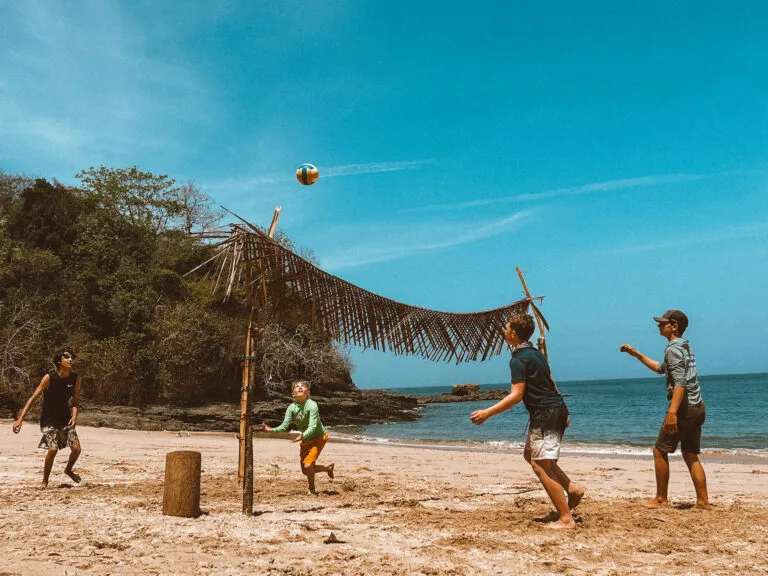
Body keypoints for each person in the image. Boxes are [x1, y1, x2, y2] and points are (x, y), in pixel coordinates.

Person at [470, 313, 584, 530]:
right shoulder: (536, 354)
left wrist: (487, 412)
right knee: (531, 455)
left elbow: (516, 395)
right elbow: (550, 382)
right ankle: (573, 489)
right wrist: (565, 413)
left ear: (513, 333)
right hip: (556, 410)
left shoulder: (518, 359)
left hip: (546, 414)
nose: (503, 332)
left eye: (505, 329)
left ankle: (566, 519)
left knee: (539, 465)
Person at [620, 309, 710, 510]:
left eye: (662, 323)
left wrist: (672, 412)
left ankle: (661, 499)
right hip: (698, 406)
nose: (658, 326)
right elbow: (662, 369)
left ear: (674, 326)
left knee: (660, 450)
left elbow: (680, 382)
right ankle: (703, 502)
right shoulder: (684, 347)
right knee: (689, 454)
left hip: (684, 409)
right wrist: (636, 354)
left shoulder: (673, 349)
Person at [12, 348, 83, 489]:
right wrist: (20, 419)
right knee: (53, 449)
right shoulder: (49, 378)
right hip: (48, 419)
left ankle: (68, 470)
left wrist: (74, 417)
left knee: (76, 449)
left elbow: (75, 401)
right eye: (66, 357)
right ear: (59, 361)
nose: (70, 360)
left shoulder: (76, 378)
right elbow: (33, 398)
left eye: (71, 358)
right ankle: (45, 480)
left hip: (65, 418)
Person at [261, 379, 335, 494]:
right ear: (293, 394)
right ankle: (327, 468)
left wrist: (302, 436)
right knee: (305, 471)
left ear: (308, 393)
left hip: (319, 438)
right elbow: (284, 426)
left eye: (303, 386)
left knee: (308, 465)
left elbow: (313, 426)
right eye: (297, 387)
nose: (300, 387)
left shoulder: (312, 405)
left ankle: (312, 489)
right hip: (305, 439)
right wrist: (271, 430)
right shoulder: (291, 408)